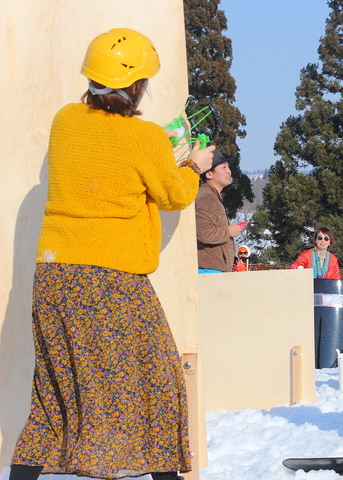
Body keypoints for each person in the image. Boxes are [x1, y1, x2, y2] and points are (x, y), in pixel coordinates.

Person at [9, 29, 215, 480]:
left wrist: (157, 147)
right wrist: (194, 166)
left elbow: (103, 159)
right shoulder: (144, 139)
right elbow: (173, 195)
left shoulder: (64, 120)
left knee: (55, 389)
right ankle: (163, 474)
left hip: (55, 278)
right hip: (112, 282)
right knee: (156, 381)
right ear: (138, 85)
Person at [195, 150, 244, 273]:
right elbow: (204, 234)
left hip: (213, 269)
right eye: (223, 167)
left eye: (228, 167)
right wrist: (229, 232)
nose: (229, 171)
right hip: (208, 270)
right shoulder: (207, 198)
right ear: (209, 174)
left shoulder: (212, 196)